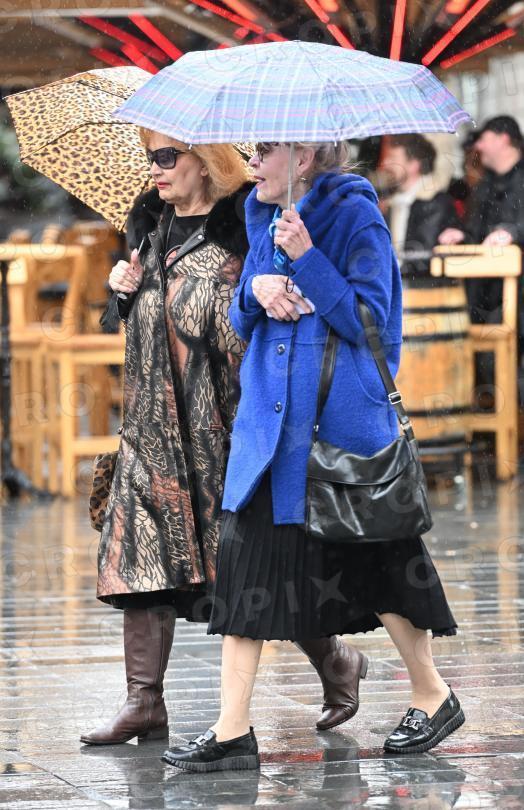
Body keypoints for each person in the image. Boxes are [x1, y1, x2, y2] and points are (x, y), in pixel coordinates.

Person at [162, 141, 465, 772]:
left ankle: (432, 693)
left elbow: (373, 323)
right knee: (245, 572)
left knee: (381, 570)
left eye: (265, 151)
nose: (252, 163)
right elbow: (244, 318)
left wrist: (309, 260)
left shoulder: (356, 216)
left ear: (302, 159)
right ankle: (232, 728)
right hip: (269, 433)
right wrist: (256, 290)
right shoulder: (261, 213)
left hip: (339, 433)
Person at [81, 133, 364, 746]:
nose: (154, 170)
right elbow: (137, 324)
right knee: (140, 556)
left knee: (250, 570)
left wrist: (245, 292)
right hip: (151, 427)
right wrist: (122, 292)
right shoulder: (148, 226)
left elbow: (253, 326)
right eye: (150, 158)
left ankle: (336, 662)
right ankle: (143, 701)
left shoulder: (245, 226)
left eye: (166, 157)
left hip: (224, 425)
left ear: (205, 161)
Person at [439, 115, 524, 324]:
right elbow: (477, 231)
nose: (478, 146)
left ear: (503, 140)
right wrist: (461, 234)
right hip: (485, 297)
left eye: (484, 139)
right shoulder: (485, 185)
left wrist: (512, 233)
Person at [381, 134, 459, 278]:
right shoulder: (392, 202)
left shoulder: (435, 202)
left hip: (425, 287)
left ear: (413, 165)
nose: (386, 163)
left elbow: (422, 258)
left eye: (393, 158)